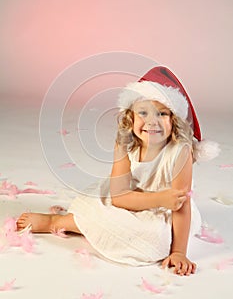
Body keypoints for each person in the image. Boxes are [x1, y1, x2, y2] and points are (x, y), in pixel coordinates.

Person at [16, 66, 219, 276]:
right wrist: (159, 198)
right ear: (130, 117)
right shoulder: (126, 144)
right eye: (143, 112)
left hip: (167, 213)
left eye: (162, 113)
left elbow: (179, 206)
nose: (152, 121)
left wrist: (178, 252)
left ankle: (93, 227)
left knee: (158, 239)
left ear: (174, 119)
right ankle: (57, 222)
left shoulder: (180, 152)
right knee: (98, 207)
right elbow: (120, 198)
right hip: (128, 198)